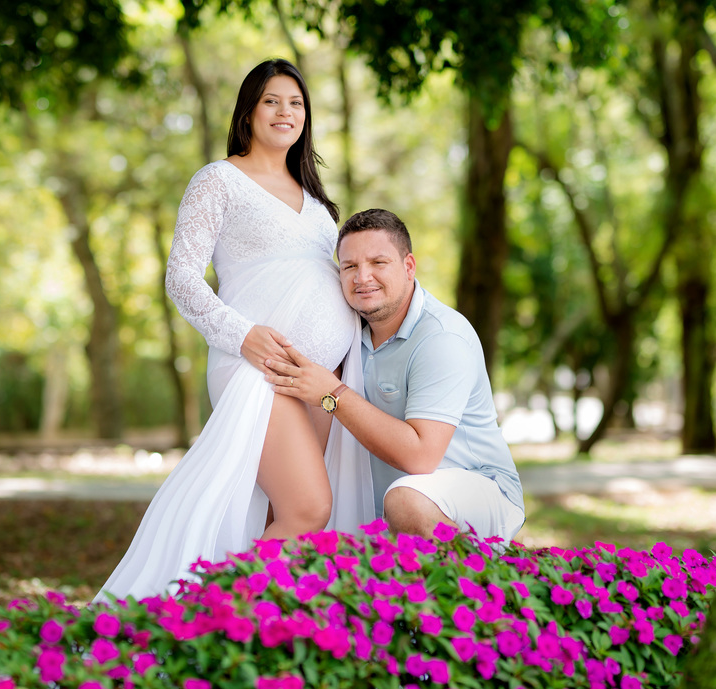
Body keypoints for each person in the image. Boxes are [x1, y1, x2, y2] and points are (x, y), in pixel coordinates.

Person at [96, 60, 374, 602]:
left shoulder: (317, 204)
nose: (285, 112)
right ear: (248, 110)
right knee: (307, 508)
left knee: (281, 516)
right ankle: (211, 620)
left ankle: (260, 643)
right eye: (272, 100)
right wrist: (242, 334)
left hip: (316, 380)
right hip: (258, 370)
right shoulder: (218, 180)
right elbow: (180, 276)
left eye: (296, 103)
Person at [265, 209, 525, 545]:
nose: (362, 277)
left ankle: (484, 585)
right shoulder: (345, 333)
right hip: (383, 500)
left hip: (475, 487)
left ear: (408, 267)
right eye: (350, 267)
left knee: (406, 501)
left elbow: (421, 457)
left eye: (378, 262)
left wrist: (332, 393)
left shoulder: (442, 337)